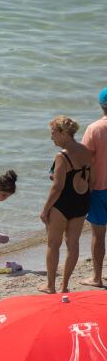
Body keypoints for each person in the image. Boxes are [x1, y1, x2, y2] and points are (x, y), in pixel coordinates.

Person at [41, 116, 93, 294]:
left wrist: (45, 209)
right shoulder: (86, 150)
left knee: (53, 244)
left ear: (63, 133)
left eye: (53, 133)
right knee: (73, 244)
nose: (51, 137)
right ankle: (64, 285)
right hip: (82, 201)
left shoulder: (61, 155)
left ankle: (50, 286)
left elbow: (57, 187)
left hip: (63, 203)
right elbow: (89, 179)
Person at [81, 87, 107, 289]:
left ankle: (97, 277)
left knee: (98, 234)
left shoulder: (94, 129)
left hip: (99, 188)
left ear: (101, 105)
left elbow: (84, 161)